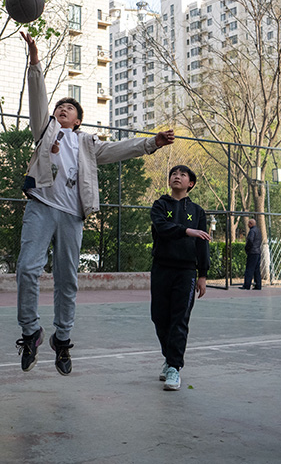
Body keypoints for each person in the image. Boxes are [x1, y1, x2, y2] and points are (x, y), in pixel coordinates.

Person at [15, 31, 176, 376]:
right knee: (27, 269)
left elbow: (119, 149)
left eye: (69, 108)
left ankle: (63, 340)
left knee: (67, 279)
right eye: (59, 106)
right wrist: (35, 62)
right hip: (42, 206)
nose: (62, 109)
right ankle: (30, 332)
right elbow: (37, 99)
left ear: (78, 120)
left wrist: (152, 144)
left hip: (73, 215)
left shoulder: (87, 144)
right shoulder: (45, 132)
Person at [150, 165, 212, 391]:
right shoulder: (160, 205)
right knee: (159, 318)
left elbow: (202, 243)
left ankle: (174, 367)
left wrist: (202, 274)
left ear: (191, 184)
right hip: (161, 268)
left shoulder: (197, 211)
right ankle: (169, 357)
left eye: (182, 174)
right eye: (173, 174)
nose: (177, 176)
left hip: (186, 271)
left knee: (180, 319)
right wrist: (187, 231)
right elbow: (163, 227)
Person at [240, 218, 262, 290]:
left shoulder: (252, 231)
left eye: (248, 224)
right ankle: (258, 285)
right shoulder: (258, 231)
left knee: (249, 269)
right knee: (257, 270)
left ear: (251, 224)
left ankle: (247, 285)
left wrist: (247, 248)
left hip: (252, 252)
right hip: (258, 252)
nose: (247, 225)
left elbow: (250, 240)